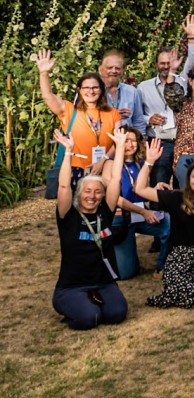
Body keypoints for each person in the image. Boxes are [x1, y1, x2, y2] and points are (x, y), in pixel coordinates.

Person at [130, 139, 194, 308]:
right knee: (184, 289)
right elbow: (140, 190)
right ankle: (180, 294)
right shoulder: (176, 197)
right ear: (188, 179)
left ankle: (183, 295)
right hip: (179, 258)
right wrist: (149, 162)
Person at [50, 130, 127, 330]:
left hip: (103, 282)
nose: (92, 196)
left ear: (103, 195)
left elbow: (116, 179)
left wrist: (119, 148)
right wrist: (68, 151)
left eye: (97, 192)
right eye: (87, 191)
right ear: (80, 194)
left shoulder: (105, 212)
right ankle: (75, 306)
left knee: (116, 314)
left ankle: (93, 301)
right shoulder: (69, 215)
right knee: (89, 318)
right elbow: (64, 186)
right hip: (71, 287)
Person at [34, 50, 123, 183]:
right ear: (80, 90)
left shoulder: (113, 113)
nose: (90, 91)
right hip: (76, 169)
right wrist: (44, 73)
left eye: (95, 87)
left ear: (101, 90)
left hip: (105, 168)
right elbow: (48, 96)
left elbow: (118, 142)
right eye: (86, 88)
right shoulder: (69, 110)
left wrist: (103, 160)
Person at [105, 126, 170, 280]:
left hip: (140, 216)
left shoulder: (141, 164)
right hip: (120, 219)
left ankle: (162, 267)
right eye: (126, 140)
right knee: (126, 273)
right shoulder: (109, 165)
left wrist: (155, 188)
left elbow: (142, 191)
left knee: (169, 222)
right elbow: (116, 200)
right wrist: (143, 212)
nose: (130, 144)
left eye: (134, 141)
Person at [138, 47, 182, 187]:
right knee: (158, 185)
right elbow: (138, 117)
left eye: (169, 63)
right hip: (158, 143)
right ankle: (157, 210)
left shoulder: (183, 83)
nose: (166, 67)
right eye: (162, 63)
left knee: (181, 186)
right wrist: (149, 119)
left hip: (181, 142)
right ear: (156, 64)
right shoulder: (144, 87)